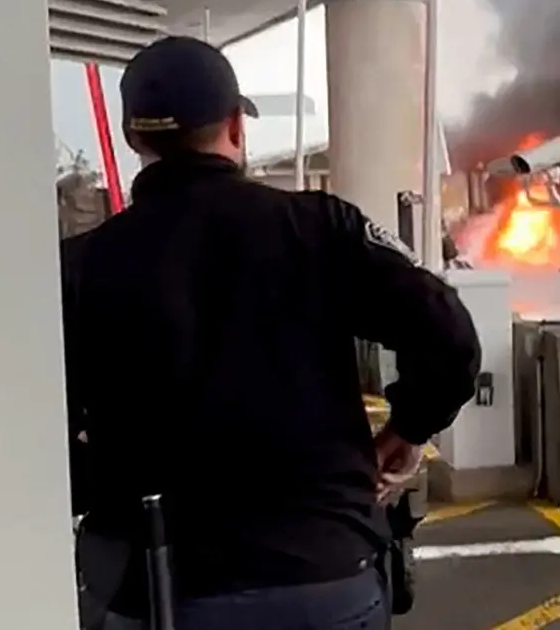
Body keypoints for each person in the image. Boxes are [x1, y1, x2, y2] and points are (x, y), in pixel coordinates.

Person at [64, 36, 482, 630]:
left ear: (135, 139)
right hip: (322, 578)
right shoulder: (317, 228)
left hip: (157, 589)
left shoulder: (85, 264)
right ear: (236, 126)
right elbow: (448, 335)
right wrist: (409, 427)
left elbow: (33, 426)